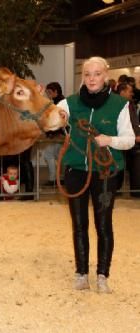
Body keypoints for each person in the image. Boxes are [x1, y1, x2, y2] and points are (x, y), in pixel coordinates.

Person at [57, 56, 135, 293]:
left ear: (106, 76)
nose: (92, 78)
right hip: (75, 171)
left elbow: (130, 140)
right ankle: (81, 273)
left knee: (104, 224)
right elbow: (48, 121)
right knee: (79, 224)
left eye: (97, 73)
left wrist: (109, 140)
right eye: (87, 74)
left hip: (105, 172)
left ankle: (102, 275)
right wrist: (47, 110)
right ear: (83, 77)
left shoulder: (120, 105)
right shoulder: (68, 103)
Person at [42, 82, 66, 186]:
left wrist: (51, 133)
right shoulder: (60, 101)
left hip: (59, 135)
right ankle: (62, 177)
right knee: (58, 156)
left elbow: (58, 121)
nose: (48, 94)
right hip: (61, 134)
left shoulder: (59, 103)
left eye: (49, 92)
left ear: (56, 91)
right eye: (47, 92)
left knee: (48, 155)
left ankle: (53, 179)